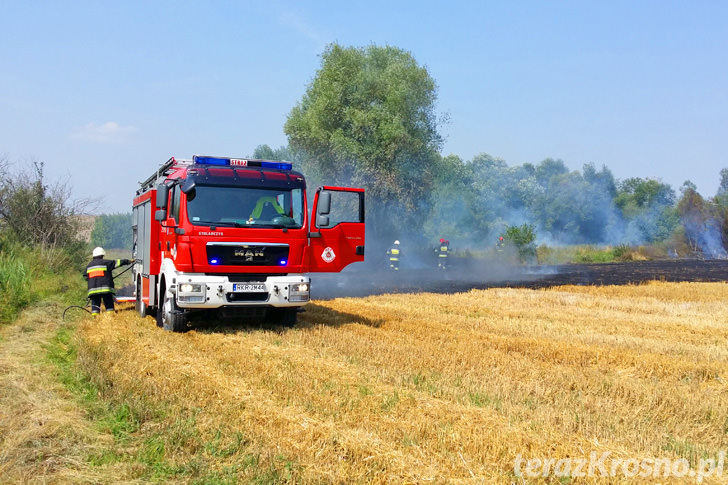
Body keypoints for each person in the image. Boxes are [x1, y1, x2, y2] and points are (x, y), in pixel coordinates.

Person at [84, 247, 132, 315]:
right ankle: (110, 315)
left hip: (93, 290)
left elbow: (85, 276)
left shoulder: (89, 266)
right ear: (102, 255)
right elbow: (118, 262)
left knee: (95, 305)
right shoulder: (106, 263)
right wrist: (128, 261)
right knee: (108, 301)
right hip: (105, 288)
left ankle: (95, 318)